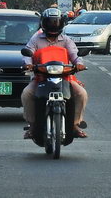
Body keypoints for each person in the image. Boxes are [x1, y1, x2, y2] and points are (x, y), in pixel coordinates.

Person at [21, 8, 88, 138]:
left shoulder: (66, 40)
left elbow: (75, 55)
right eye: (50, 22)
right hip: (41, 78)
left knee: (82, 94)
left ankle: (74, 124)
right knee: (26, 94)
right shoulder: (36, 38)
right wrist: (28, 63)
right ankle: (33, 126)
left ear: (61, 23)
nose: (53, 25)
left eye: (56, 22)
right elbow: (28, 52)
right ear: (43, 23)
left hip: (65, 77)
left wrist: (79, 63)